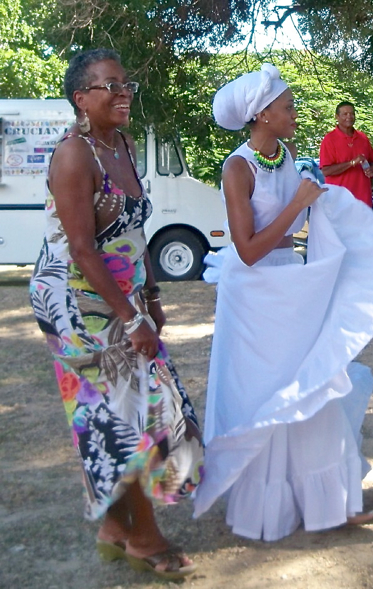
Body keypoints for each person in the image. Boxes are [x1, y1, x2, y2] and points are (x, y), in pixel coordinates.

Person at [192, 64, 373, 541]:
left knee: (310, 384)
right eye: (287, 107)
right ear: (262, 114)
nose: (295, 113)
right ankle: (268, 502)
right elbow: (247, 248)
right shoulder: (236, 167)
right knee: (271, 393)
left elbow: (300, 216)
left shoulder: (288, 154)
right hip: (255, 291)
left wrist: (317, 203)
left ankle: (333, 498)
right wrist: (296, 203)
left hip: (291, 282)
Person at [29, 49, 203, 580]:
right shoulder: (74, 156)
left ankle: (112, 527)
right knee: (122, 425)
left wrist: (152, 297)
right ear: (81, 98)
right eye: (110, 85)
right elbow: (83, 248)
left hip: (123, 297)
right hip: (78, 307)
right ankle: (143, 539)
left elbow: (134, 232)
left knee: (143, 415)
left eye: (127, 84)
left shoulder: (122, 145)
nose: (124, 93)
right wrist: (131, 318)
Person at [319, 101, 373, 206]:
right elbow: (326, 171)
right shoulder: (329, 139)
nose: (349, 116)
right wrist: (352, 163)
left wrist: (372, 169)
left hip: (363, 201)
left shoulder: (363, 138)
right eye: (345, 114)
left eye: (352, 113)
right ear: (337, 117)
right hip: (339, 202)